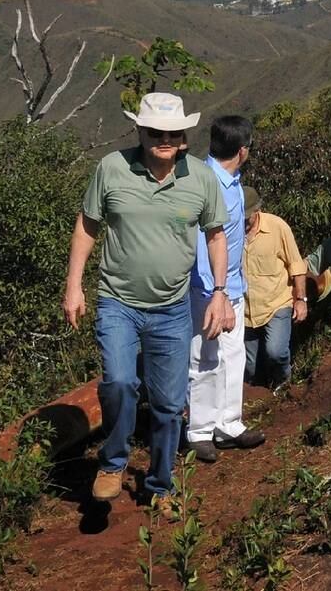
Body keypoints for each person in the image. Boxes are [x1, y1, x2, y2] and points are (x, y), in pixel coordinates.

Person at [64, 93, 230, 516]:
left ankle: (160, 485)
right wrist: (74, 286)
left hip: (172, 307)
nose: (164, 139)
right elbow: (87, 224)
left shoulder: (200, 179)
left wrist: (219, 293)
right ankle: (113, 462)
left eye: (173, 133)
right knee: (120, 382)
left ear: (184, 137)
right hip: (118, 301)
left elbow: (215, 235)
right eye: (156, 131)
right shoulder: (113, 168)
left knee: (170, 405)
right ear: (140, 131)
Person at [186, 115, 263, 463]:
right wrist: (214, 294)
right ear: (242, 150)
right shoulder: (206, 183)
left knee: (233, 357)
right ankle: (200, 430)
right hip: (208, 287)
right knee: (205, 358)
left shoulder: (231, 181)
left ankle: (228, 423)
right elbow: (204, 244)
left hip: (230, 285)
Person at [241, 188, 306, 389]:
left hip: (277, 302)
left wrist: (301, 300)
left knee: (275, 351)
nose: (242, 221)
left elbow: (296, 264)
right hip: (245, 310)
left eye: (246, 217)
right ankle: (258, 395)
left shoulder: (277, 227)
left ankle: (284, 383)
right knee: (249, 366)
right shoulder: (229, 230)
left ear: (257, 210)